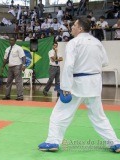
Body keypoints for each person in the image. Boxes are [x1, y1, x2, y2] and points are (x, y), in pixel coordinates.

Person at [38, 17, 120, 152]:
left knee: (60, 113)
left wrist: (65, 87)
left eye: (74, 25)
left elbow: (69, 66)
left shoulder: (74, 43)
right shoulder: (97, 42)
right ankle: (115, 143)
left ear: (80, 28)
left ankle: (52, 141)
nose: (71, 27)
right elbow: (104, 62)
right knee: (98, 115)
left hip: (77, 83)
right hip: (94, 82)